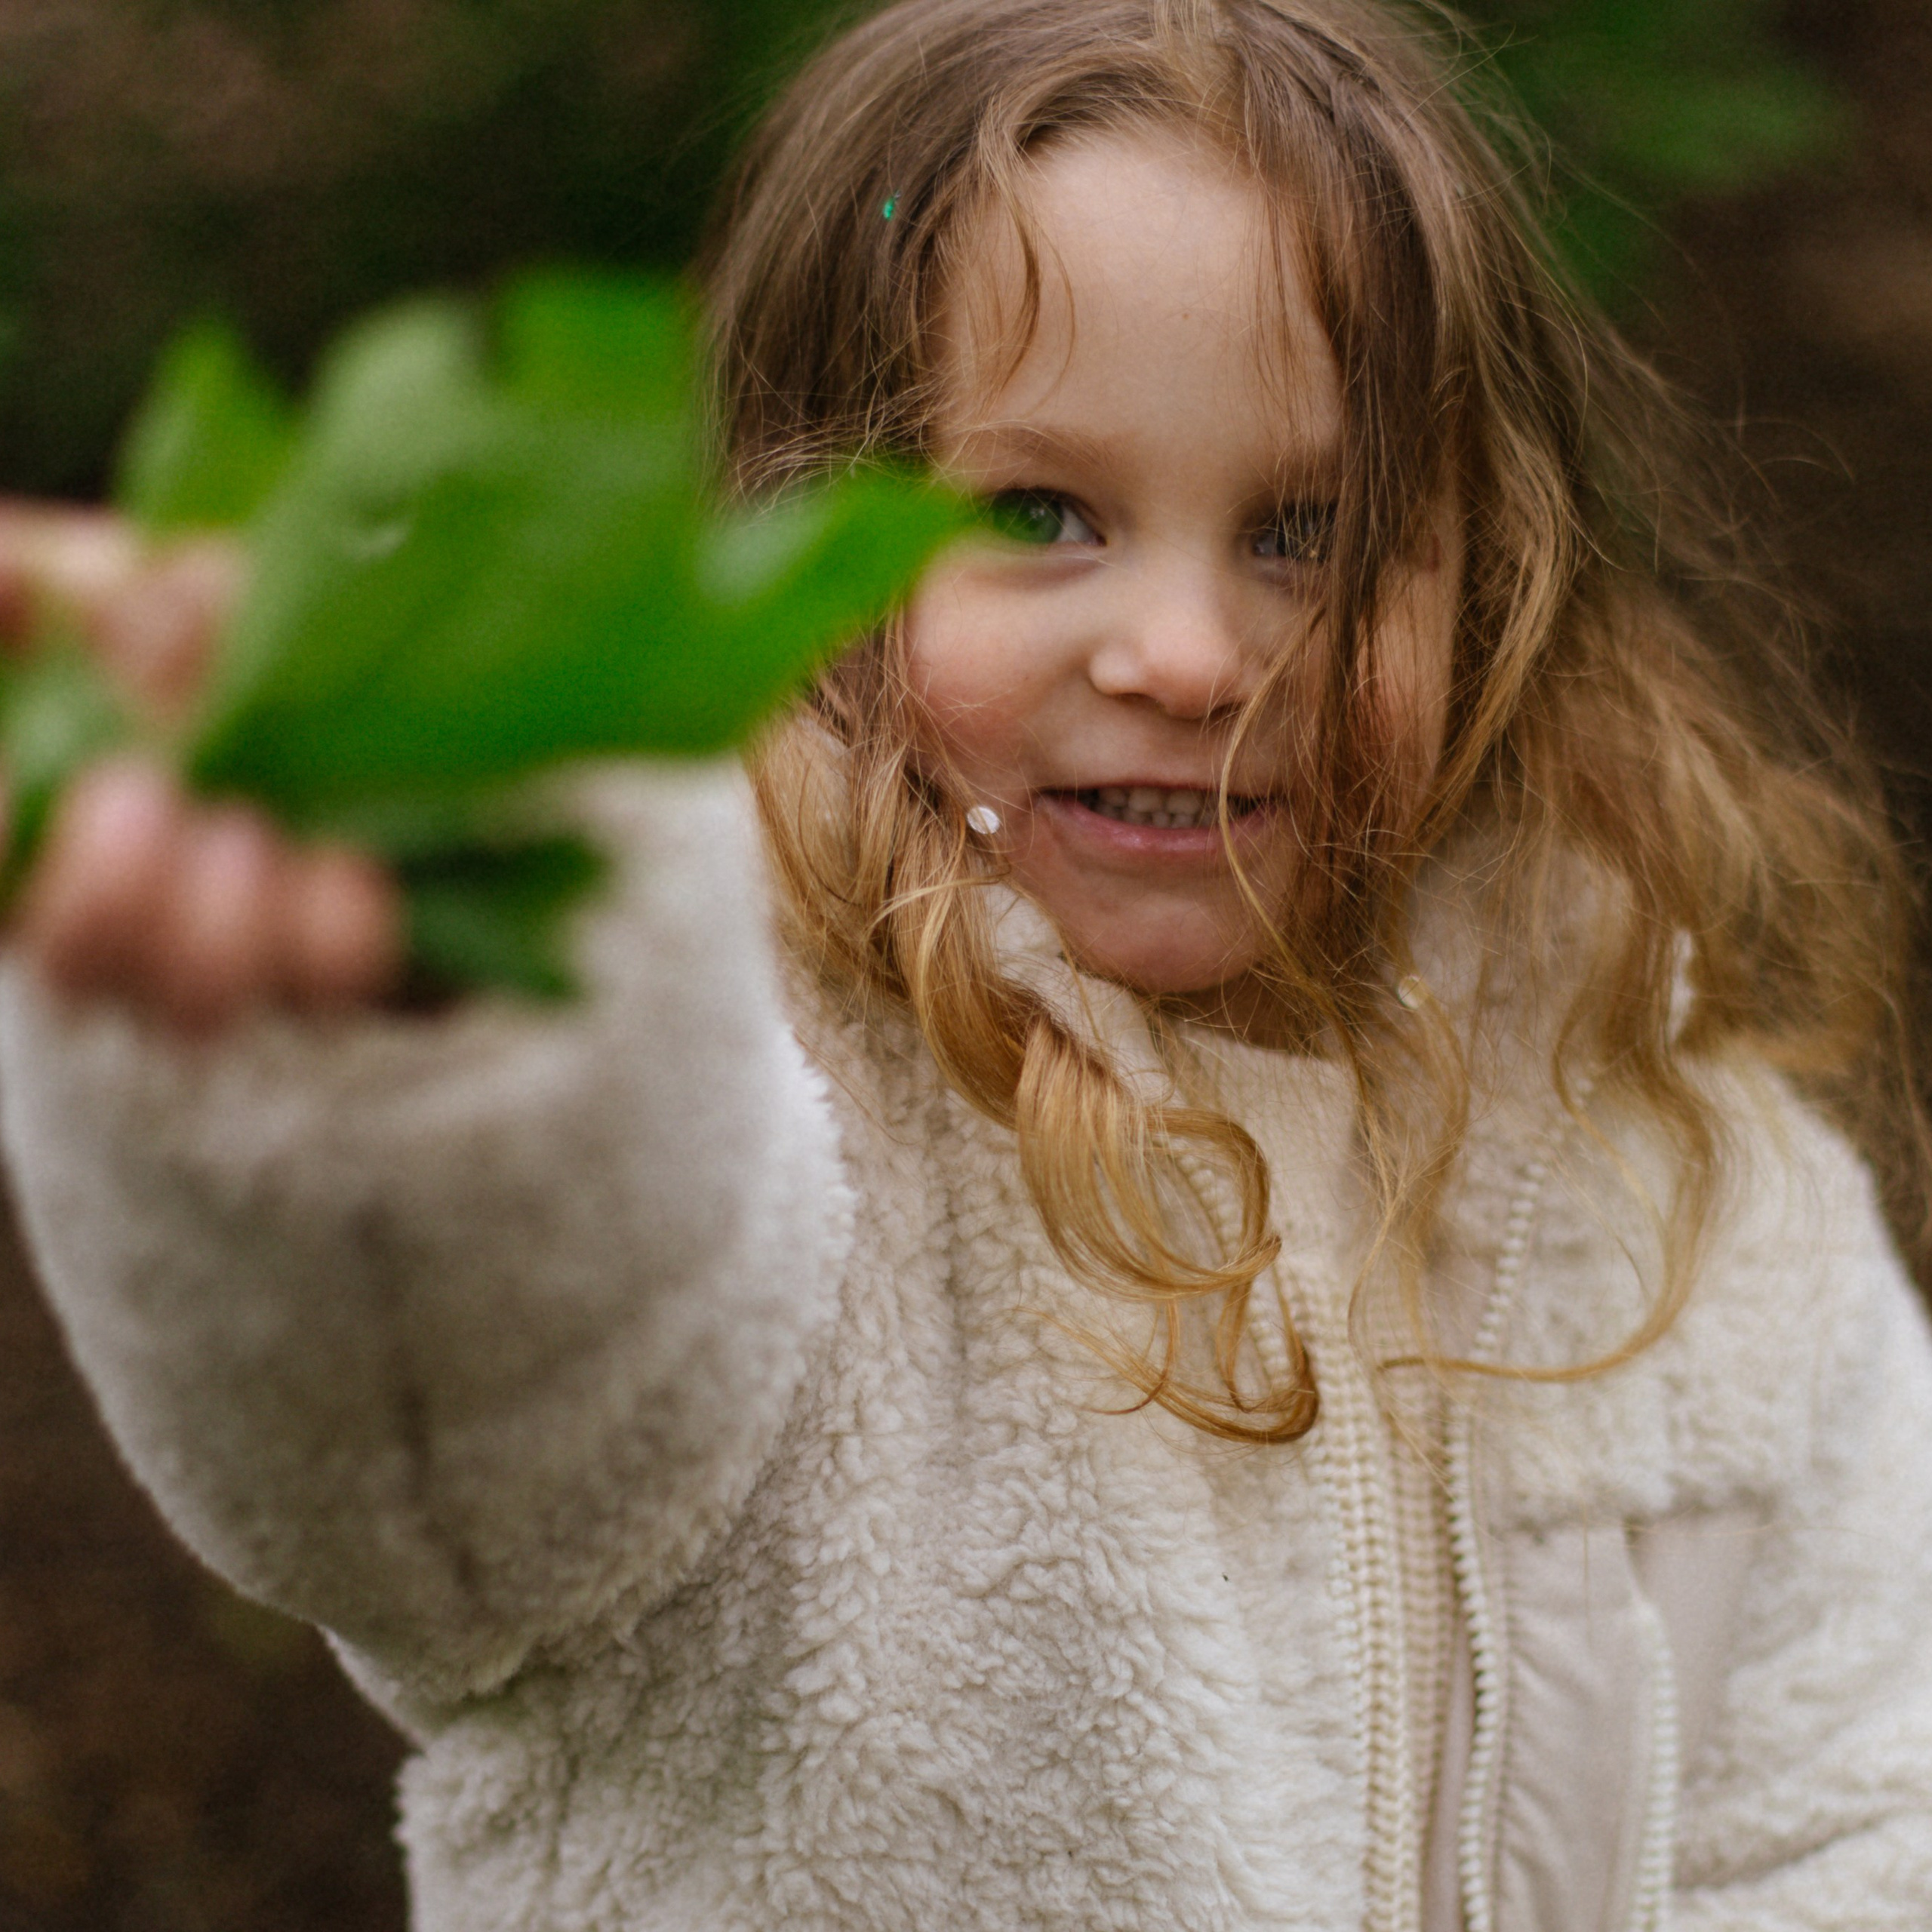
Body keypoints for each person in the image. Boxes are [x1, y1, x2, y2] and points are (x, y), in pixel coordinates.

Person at [2, 0, 1930, 1925]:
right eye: (1034, 512)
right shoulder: (757, 1102)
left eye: (1307, 530)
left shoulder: (1680, 1184)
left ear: (1484, 569)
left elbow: (1858, 1819)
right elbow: (463, 1394)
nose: (1184, 654)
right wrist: (419, 1030)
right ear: (802, 536)